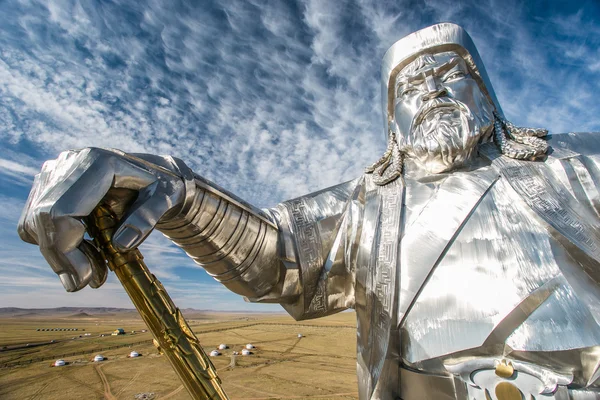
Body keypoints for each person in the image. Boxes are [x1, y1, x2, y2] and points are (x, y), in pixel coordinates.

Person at [18, 23, 600, 399]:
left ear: (487, 93)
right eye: (411, 87)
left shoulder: (579, 162)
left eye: (452, 74)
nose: (434, 92)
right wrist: (178, 187)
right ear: (391, 121)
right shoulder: (367, 205)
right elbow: (276, 256)